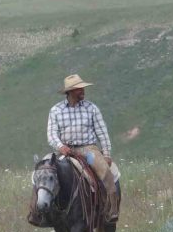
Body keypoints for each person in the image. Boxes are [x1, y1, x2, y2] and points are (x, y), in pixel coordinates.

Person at [47, 74, 119, 222]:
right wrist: (60, 146)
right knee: (45, 172)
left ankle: (111, 210)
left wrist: (106, 153)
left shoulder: (91, 108)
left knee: (105, 172)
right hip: (65, 150)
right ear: (70, 92)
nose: (82, 91)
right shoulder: (56, 110)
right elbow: (51, 134)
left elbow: (102, 132)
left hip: (88, 150)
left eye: (82, 88)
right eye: (78, 89)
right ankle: (41, 212)